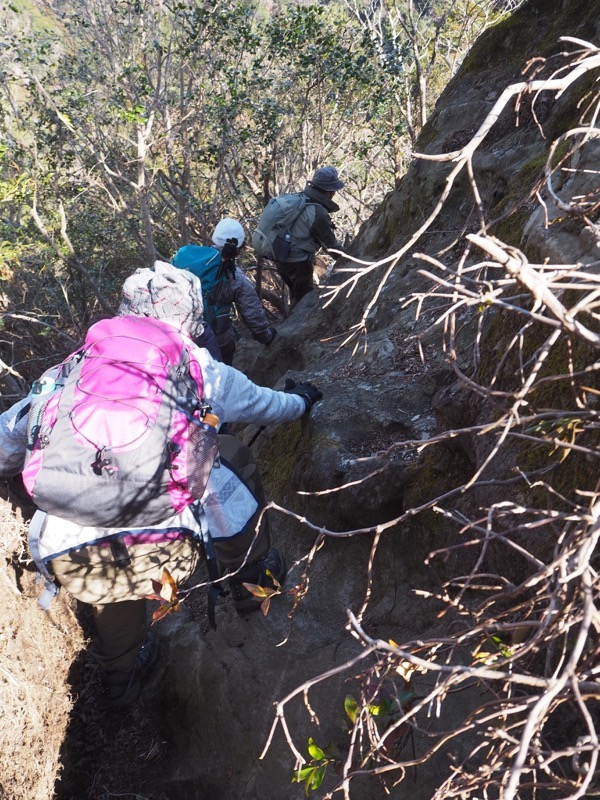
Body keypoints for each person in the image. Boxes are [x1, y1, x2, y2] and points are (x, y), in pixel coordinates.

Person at [0, 261, 322, 706]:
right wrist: (302, 401)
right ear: (190, 317)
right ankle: (253, 583)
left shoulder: (68, 373)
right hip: (164, 549)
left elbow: (9, 436)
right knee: (227, 454)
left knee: (107, 554)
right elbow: (266, 405)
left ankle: (123, 674)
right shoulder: (200, 369)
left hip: (74, 561)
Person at [173, 218, 276, 366]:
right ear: (240, 246)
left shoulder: (194, 259)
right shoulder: (235, 277)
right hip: (215, 340)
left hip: (180, 335)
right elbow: (252, 313)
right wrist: (267, 337)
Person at [272, 165, 345, 305]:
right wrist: (349, 258)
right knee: (303, 300)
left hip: (279, 256)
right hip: (297, 261)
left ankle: (289, 321)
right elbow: (331, 247)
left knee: (295, 295)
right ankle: (295, 325)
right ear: (330, 192)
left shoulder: (298, 199)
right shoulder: (318, 212)